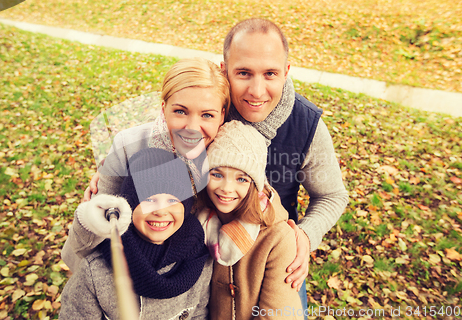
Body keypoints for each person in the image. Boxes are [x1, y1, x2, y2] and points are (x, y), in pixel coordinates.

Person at [83, 18, 349, 313]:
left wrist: (306, 235)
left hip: (267, 251)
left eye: (270, 74)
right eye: (244, 73)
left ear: (286, 72)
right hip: (198, 246)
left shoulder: (307, 125)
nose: (257, 91)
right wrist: (116, 167)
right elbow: (168, 126)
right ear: (225, 70)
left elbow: (333, 195)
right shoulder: (209, 109)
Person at [62, 57, 230, 273]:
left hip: (188, 268)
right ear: (163, 108)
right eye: (180, 111)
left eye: (207, 115)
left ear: (222, 115)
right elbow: (99, 226)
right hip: (124, 260)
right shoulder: (128, 145)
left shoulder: (226, 153)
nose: (192, 128)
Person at [59, 148, 212, 320]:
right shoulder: (96, 271)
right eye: (149, 199)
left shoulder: (198, 258)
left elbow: (199, 312)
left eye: (172, 200)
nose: (161, 211)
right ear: (129, 205)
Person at [197, 121, 303, 320]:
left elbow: (276, 315)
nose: (227, 188)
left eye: (241, 179)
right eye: (217, 174)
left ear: (255, 184)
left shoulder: (278, 238)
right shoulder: (199, 221)